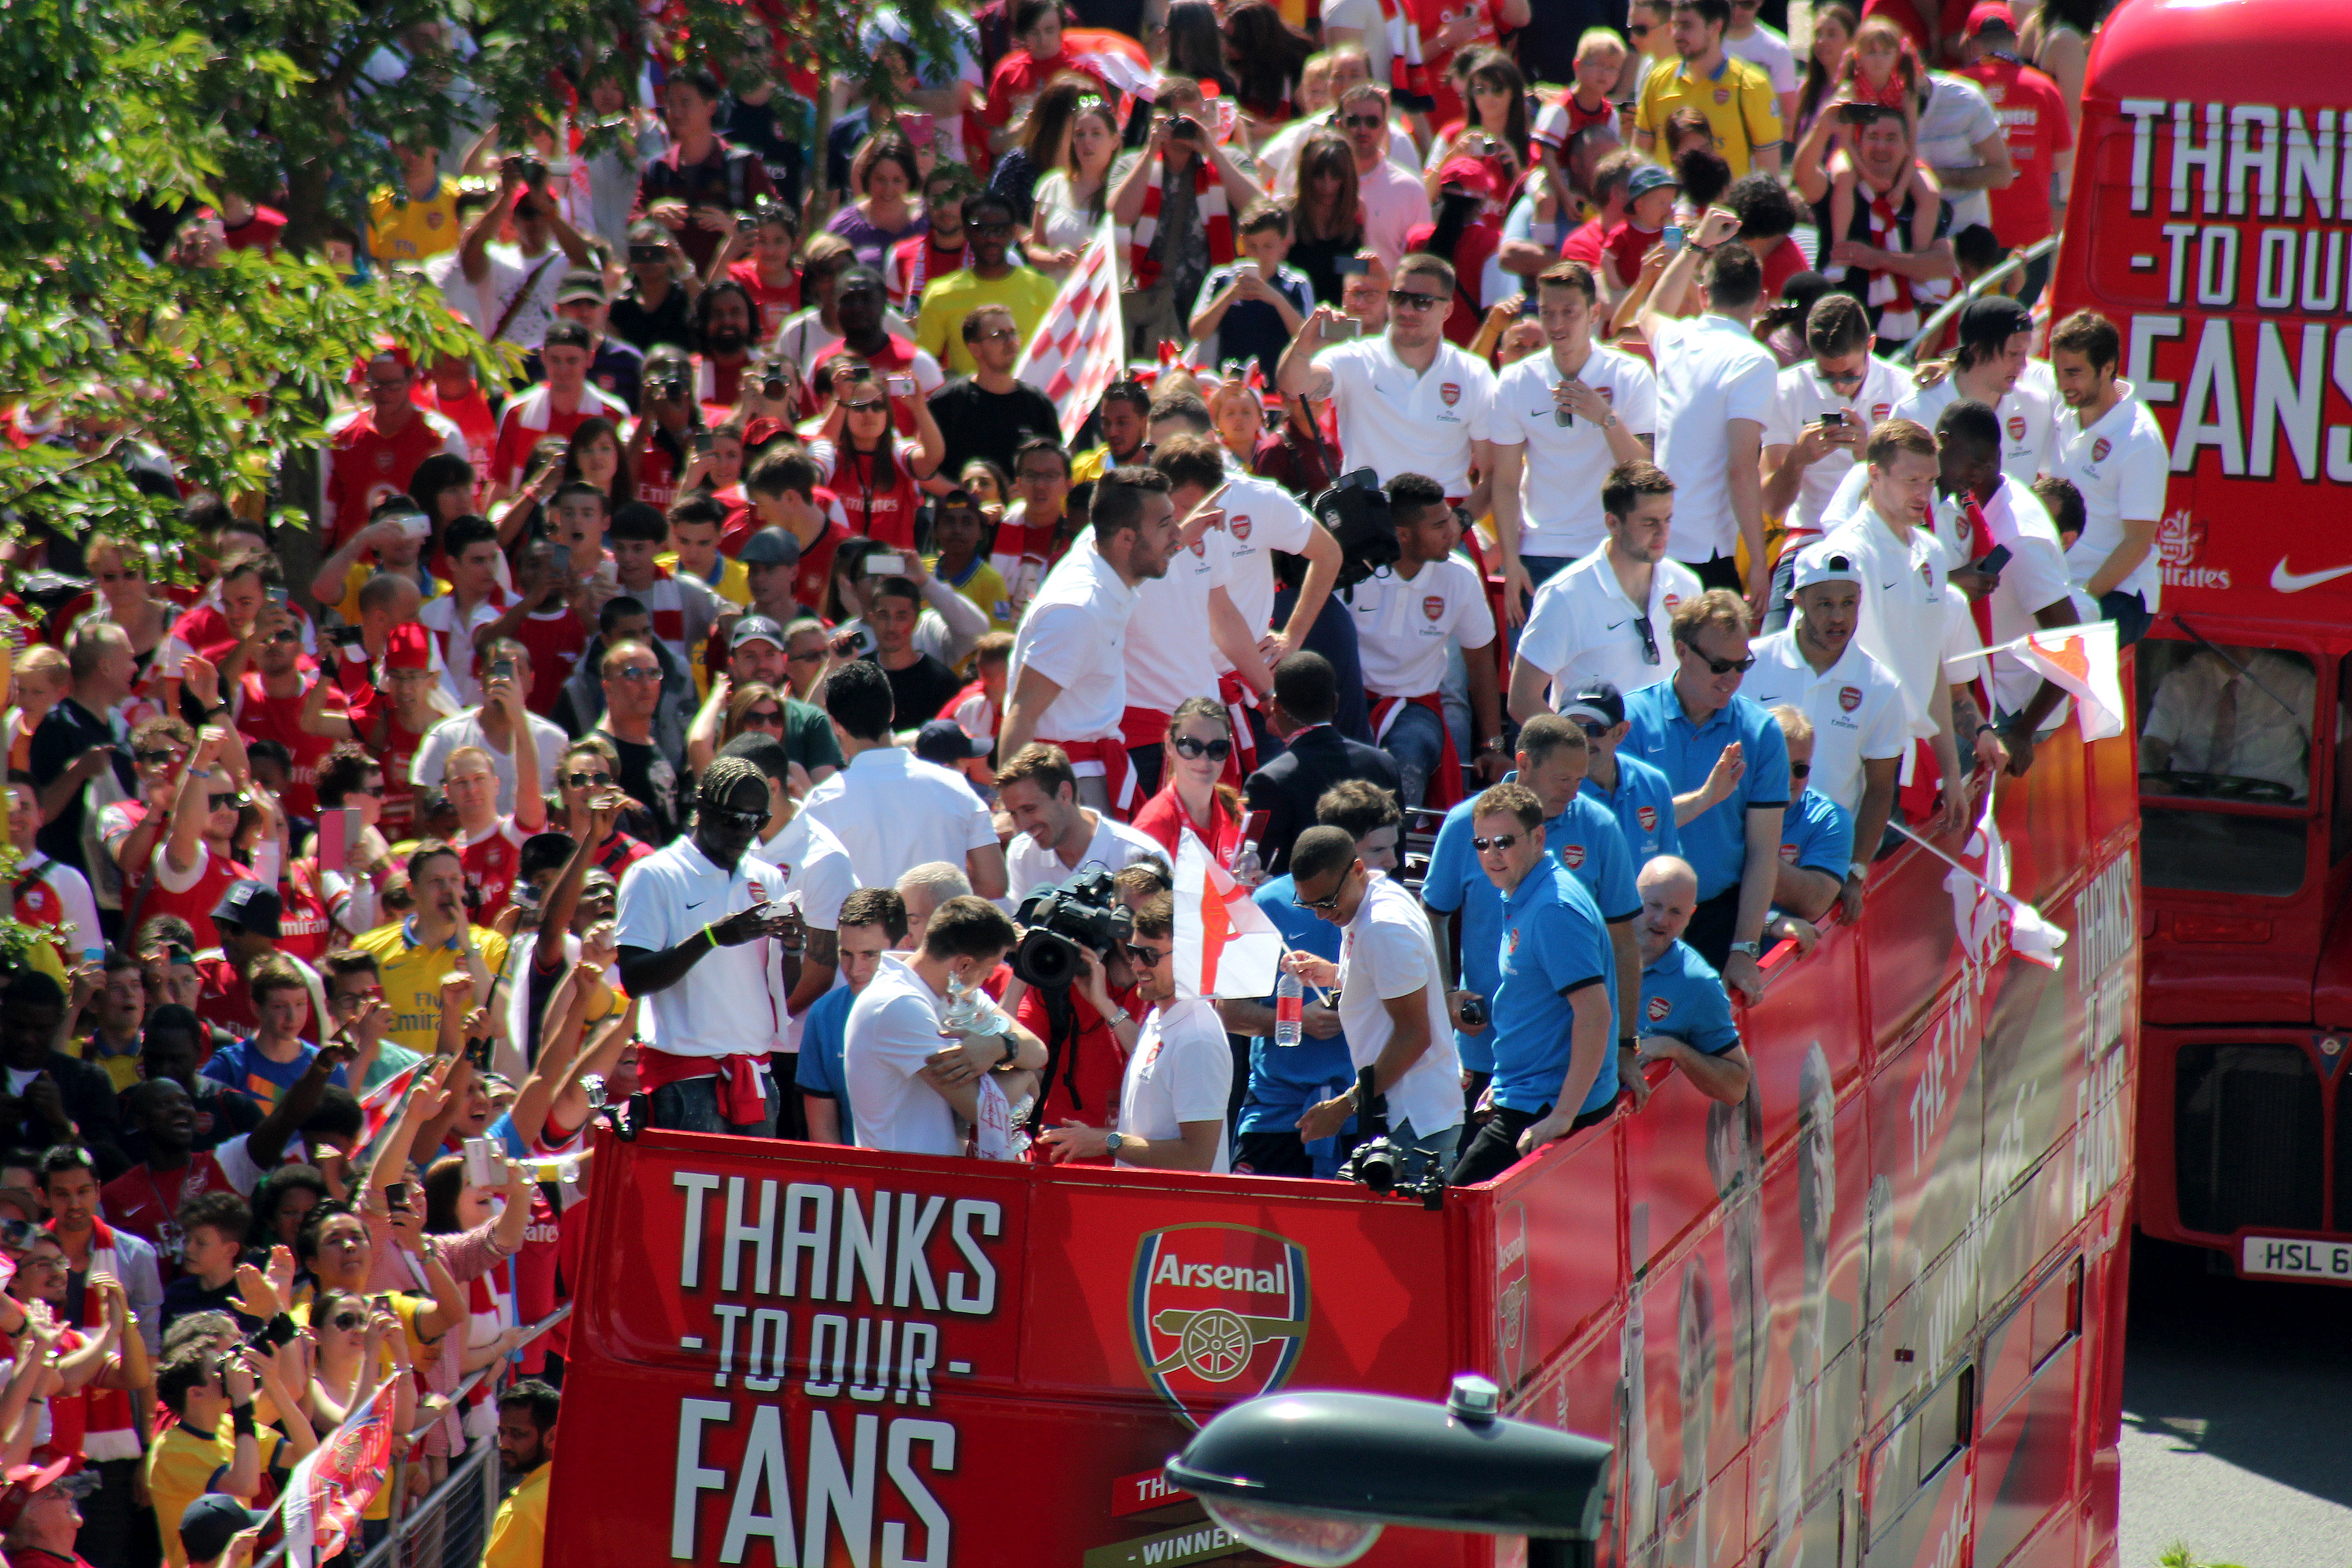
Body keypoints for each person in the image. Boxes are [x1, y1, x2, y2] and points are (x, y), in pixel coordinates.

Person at [1816, 420, 1998, 830]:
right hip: (1855, 766)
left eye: (1930, 480)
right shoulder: (1845, 555)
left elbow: (1931, 665)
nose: (1923, 494)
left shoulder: (1931, 552)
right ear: (1875, 475)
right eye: (1911, 480)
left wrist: (1951, 774)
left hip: (1908, 761)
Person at [615, 759, 804, 1135]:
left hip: (756, 1076)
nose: (745, 832)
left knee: (749, 1195)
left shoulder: (767, 877)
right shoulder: (654, 875)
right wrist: (713, 937)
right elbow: (635, 978)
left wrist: (795, 946)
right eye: (734, 819)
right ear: (701, 809)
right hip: (686, 1078)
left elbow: (784, 988)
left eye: (758, 821)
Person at [1446, 781, 1617, 1185]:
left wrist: (1562, 1116)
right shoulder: (1527, 891)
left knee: (1454, 1210)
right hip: (1525, 1092)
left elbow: (1595, 1017)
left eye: (1504, 842)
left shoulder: (1552, 910)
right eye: (1481, 844)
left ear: (1539, 837)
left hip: (1544, 1105)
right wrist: (1508, 1080)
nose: (1492, 855)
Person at [1621, 591, 1788, 997]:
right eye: (1719, 666)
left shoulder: (1761, 733)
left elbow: (1764, 853)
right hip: (1634, 918)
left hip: (1717, 920)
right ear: (1681, 651)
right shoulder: (1629, 723)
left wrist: (1744, 948)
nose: (1731, 677)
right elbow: (1622, 830)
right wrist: (1706, 797)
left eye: (1742, 665)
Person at [1280, 826, 1464, 1181]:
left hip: (1416, 1123)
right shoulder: (1374, 896)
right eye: (1309, 904)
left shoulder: (1384, 927)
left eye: (1327, 903)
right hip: (1407, 1117)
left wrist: (1344, 1107)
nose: (1320, 915)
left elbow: (1414, 1035)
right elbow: (1382, 981)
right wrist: (1333, 974)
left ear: (1358, 871)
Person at [999, 468, 1183, 813]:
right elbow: (1021, 714)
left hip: (1083, 777)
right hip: (1067, 792)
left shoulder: (1097, 546)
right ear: (1126, 539)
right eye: (1165, 525)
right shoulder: (1079, 612)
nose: (1179, 534)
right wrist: (1016, 811)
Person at [1740, 547, 1905, 919]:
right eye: (1825, 604)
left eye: (1849, 603)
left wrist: (1855, 871)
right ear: (1796, 600)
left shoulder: (1882, 686)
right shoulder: (1749, 664)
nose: (1838, 618)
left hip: (1819, 869)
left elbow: (1880, 790)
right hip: (1743, 850)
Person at [1488, 262, 1659, 606]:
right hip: (1539, 551)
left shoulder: (1630, 374)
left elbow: (1644, 472)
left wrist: (1605, 418)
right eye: (1548, 313)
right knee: (1535, 662)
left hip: (1609, 548)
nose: (1557, 324)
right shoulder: (1516, 380)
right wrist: (1511, 562)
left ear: (1595, 313)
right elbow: (1505, 482)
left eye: (1570, 312)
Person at [1278, 256, 1499, 514]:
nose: (1407, 311)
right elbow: (1294, 387)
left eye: (1422, 303)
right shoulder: (1354, 358)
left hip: (1444, 518)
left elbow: (1493, 474)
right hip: (1370, 518)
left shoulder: (1474, 373)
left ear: (1448, 311)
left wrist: (1460, 522)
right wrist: (1304, 345)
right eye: (1399, 298)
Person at [1119, 438, 1276, 794]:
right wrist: (1177, 543)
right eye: (1184, 509)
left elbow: (1223, 615)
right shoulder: (1121, 540)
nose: (1193, 520)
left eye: (1206, 507)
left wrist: (1267, 693)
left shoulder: (1207, 529)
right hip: (1143, 732)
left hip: (1203, 726)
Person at [1637, 213, 1777, 602]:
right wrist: (1760, 567)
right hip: (1706, 553)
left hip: (1658, 541)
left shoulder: (1677, 338)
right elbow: (1741, 469)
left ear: (1703, 295)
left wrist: (1695, 246)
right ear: (1762, 301)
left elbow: (1649, 312)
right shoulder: (1755, 361)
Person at [1038, 892, 1230, 1171]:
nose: (1137, 965)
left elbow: (1197, 1157)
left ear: (1190, 956)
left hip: (1181, 1213)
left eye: (1150, 955)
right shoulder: (1160, 1018)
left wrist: (1107, 1142)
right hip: (1149, 1207)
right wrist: (1096, 1137)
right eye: (1134, 952)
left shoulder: (1197, 1039)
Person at [1343, 474, 1503, 808]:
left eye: (1451, 521)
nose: (1452, 533)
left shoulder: (1461, 576)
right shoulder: (1351, 573)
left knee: (1407, 761)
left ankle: (1394, 857)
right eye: (1439, 526)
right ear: (1402, 535)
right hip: (1351, 703)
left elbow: (1481, 665)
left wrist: (1493, 746)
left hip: (1419, 707)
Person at [844, 895, 1043, 1155]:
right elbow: (981, 1109)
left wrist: (999, 1046)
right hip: (901, 1185)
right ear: (964, 964)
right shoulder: (898, 1005)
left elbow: (1038, 1052)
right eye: (990, 968)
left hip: (930, 1182)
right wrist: (1026, 1076)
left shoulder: (955, 991)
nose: (989, 977)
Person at [1511, 461, 1705, 724]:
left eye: (1668, 519)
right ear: (1613, 523)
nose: (1663, 533)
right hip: (1598, 758)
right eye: (1649, 523)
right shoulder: (1566, 595)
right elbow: (1522, 699)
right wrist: (1580, 753)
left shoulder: (1687, 585)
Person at [801, 661, 1009, 897]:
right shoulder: (954, 785)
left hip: (867, 929)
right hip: (942, 928)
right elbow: (995, 882)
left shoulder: (822, 802)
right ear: (892, 711)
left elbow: (810, 894)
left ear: (835, 724)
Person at [1108, 78, 1269, 357]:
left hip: (1212, 308)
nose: (1188, 126)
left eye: (1195, 118)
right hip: (1153, 308)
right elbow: (1120, 215)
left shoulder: (1230, 159)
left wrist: (1212, 149)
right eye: (1179, 119)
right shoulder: (1133, 163)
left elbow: (1259, 209)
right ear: (1158, 120)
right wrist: (1151, 151)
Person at [1759, 293, 1910, 586]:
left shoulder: (1903, 388)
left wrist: (1871, 459)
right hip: (1811, 540)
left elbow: (1921, 493)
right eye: (1826, 376)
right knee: (1775, 632)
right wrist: (1798, 460)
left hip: (1882, 538)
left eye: (1850, 375)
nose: (1839, 385)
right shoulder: (1786, 389)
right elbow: (1771, 507)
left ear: (1871, 345)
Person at [2048, 310, 2165, 646]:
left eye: (2073, 374)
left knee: (2060, 651)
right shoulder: (2063, 406)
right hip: (2065, 584)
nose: (2062, 384)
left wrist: (2083, 598)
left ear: (2108, 367)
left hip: (2121, 595)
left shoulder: (2139, 439)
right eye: (2058, 372)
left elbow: (2138, 543)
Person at [146, 1343, 316, 1568]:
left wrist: (274, 1385)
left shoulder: (228, 1426)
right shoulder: (172, 1451)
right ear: (196, 1393)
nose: (230, 1374)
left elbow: (308, 1455)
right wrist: (242, 1401)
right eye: (219, 1372)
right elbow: (246, 1485)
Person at [1244, 652, 1400, 876]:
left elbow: (1255, 870)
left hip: (1303, 908)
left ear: (1276, 706)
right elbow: (1394, 864)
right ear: (1335, 703)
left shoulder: (1269, 781)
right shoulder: (1384, 764)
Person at [353, 842, 509, 1056]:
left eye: (454, 880)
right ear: (412, 890)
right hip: (395, 1082)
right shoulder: (369, 948)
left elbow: (501, 1027)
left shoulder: (490, 945)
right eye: (436, 882)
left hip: (460, 1079)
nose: (447, 890)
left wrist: (469, 948)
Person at [1629, 854, 1752, 1103]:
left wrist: (1676, 1049)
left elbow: (1737, 1087)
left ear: (1691, 915)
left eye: (1676, 912)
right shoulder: (1591, 949)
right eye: (1653, 905)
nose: (1662, 920)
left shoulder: (1697, 983)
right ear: (1631, 897)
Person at [322, 351, 471, 551]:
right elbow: (324, 516)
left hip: (423, 563)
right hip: (356, 568)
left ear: (412, 381)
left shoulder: (442, 436)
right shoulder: (337, 435)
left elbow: (461, 511)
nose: (384, 392)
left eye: (394, 384)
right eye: (377, 383)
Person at [447, 158, 595, 357]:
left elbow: (588, 264)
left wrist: (545, 206)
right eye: (528, 213)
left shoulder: (565, 261)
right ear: (514, 219)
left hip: (549, 367)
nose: (536, 221)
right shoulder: (496, 258)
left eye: (542, 213)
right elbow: (470, 255)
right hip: (504, 369)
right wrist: (506, 195)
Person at [30, 622, 141, 886]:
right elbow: (42, 811)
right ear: (105, 666)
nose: (136, 668)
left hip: (116, 880)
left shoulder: (119, 724)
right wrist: (79, 771)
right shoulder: (58, 725)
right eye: (130, 659)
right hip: (72, 880)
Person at [635, 67, 777, 272]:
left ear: (711, 107)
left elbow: (774, 224)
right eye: (671, 104)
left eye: (685, 102)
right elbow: (633, 240)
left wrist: (736, 230)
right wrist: (651, 219)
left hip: (733, 292)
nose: (676, 112)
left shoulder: (743, 165)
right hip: (673, 295)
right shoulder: (656, 170)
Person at [410, 640, 569, 817]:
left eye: (518, 672)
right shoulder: (446, 737)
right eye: (498, 671)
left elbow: (565, 811)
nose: (507, 681)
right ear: (481, 677)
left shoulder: (555, 740)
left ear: (531, 681)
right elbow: (423, 815)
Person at [795, 887, 904, 1146]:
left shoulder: (938, 1007)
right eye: (846, 954)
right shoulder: (824, 1015)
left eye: (870, 955)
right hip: (858, 1178)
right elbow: (824, 1135)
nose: (855, 970)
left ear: (904, 945)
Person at [913, 191, 1059, 380]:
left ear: (1011, 233)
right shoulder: (940, 294)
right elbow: (925, 365)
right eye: (981, 229)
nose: (992, 238)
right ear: (966, 231)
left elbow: (1061, 356)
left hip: (1032, 403)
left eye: (1000, 229)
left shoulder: (1044, 289)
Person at [997, 744, 1166, 901]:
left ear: (1064, 794)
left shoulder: (1140, 855)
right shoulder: (1020, 853)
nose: (1023, 825)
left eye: (1030, 809)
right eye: (1013, 814)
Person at [1637, 0, 1783, 177]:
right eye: (1675, 25)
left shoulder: (1752, 86)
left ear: (1716, 27)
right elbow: (1639, 159)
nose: (1677, 35)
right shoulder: (1658, 80)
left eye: (1687, 26)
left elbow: (1769, 174)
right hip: (1668, 204)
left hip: (1727, 204)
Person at [0, 975, 125, 1174]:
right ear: (3, 1017)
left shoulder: (88, 1080)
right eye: (18, 1026)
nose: (28, 1038)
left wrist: (63, 1125)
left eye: (40, 1029)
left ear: (58, 1024)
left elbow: (114, 1168)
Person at [927, 306, 1063, 480]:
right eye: (998, 335)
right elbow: (923, 468)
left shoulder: (1037, 403)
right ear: (975, 349)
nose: (1010, 341)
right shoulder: (948, 403)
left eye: (1013, 333)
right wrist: (966, 498)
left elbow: (1056, 466)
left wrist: (1025, 492)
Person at [1188, 203, 1313, 380]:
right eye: (1252, 246)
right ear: (1242, 244)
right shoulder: (1222, 278)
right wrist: (1229, 296)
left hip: (1280, 386)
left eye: (1268, 246)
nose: (1259, 255)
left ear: (1283, 245)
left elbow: (1308, 339)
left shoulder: (1296, 284)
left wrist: (1277, 299)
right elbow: (1197, 333)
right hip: (1232, 386)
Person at [441, 734, 548, 925]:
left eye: (479, 779)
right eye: (461, 782)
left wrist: (518, 720)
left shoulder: (516, 833)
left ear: (496, 784)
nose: (471, 789)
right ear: (448, 793)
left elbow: (529, 784)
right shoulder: (447, 856)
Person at [483, 1378, 559, 1568]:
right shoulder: (582, 1482)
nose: (504, 1444)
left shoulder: (522, 1511)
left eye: (518, 1434)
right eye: (502, 1433)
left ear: (551, 1437)